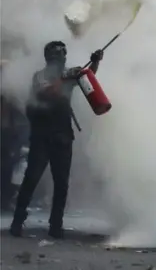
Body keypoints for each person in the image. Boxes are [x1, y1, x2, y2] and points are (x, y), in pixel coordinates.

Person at [10, 41, 103, 238]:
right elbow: (46, 93)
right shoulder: (40, 76)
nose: (61, 59)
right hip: (42, 135)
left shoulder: (69, 75)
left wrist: (94, 63)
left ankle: (55, 225)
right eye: (58, 55)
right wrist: (64, 78)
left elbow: (88, 81)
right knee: (31, 179)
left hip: (62, 135)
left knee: (61, 183)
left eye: (62, 55)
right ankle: (18, 221)